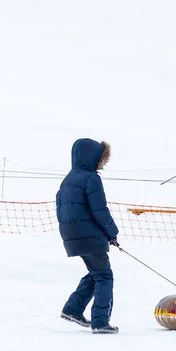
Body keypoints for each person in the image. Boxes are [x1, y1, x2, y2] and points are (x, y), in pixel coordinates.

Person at [56, 138, 120, 334]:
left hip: (72, 235)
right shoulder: (91, 178)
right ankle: (101, 322)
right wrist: (112, 232)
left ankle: (72, 309)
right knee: (104, 276)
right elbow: (99, 210)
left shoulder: (68, 179)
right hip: (89, 235)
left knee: (96, 273)